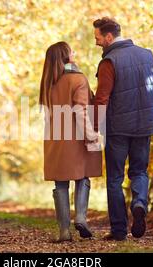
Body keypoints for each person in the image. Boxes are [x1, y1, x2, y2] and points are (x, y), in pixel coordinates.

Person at [92, 17, 153, 240]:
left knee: (114, 178)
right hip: (145, 125)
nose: (97, 42)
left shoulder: (109, 62)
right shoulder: (147, 55)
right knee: (139, 171)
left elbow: (102, 99)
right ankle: (139, 203)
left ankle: (119, 230)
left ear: (109, 37)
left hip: (118, 128)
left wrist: (94, 128)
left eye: (98, 38)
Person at [40, 41, 102, 242]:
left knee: (61, 182)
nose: (75, 52)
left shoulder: (49, 81)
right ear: (66, 56)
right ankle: (81, 218)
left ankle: (64, 231)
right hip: (76, 137)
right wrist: (91, 135)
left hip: (55, 138)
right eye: (71, 50)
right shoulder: (78, 79)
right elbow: (80, 111)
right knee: (82, 177)